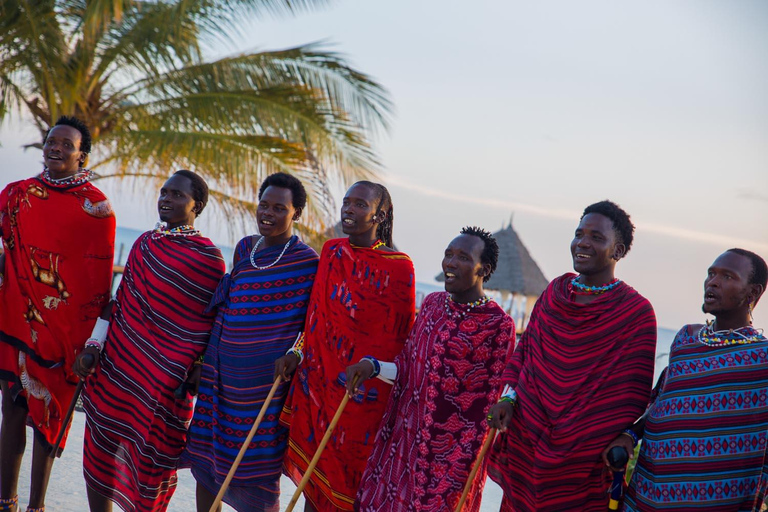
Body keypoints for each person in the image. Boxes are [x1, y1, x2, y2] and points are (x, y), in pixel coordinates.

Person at [487, 200, 657, 512]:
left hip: (582, 459)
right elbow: (525, 353)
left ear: (618, 251)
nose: (582, 242)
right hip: (525, 439)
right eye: (579, 233)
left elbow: (630, 396)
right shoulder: (555, 292)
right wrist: (508, 399)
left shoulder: (635, 313)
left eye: (596, 237)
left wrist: (580, 437)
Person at [73, 170, 225, 512]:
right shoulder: (144, 243)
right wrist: (94, 346)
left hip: (163, 385)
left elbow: (207, 326)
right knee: (100, 447)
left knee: (150, 465)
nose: (166, 200)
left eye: (177, 195)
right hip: (117, 368)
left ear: (196, 205)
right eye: (163, 192)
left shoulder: (208, 258)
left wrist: (193, 368)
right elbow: (119, 303)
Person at [346, 227, 515, 512]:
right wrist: (372, 366)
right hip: (402, 446)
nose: (450, 262)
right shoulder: (433, 305)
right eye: (448, 254)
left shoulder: (498, 325)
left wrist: (465, 461)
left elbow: (495, 397)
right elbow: (408, 366)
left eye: (462, 257)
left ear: (483, 269)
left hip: (453, 460)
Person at [180, 173, 320, 512]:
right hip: (221, 376)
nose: (267, 213)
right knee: (208, 464)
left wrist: (294, 355)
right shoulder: (245, 248)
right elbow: (226, 308)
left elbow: (311, 326)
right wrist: (201, 365)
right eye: (264, 205)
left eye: (279, 208)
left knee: (257, 468)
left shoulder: (308, 263)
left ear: (296, 213)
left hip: (264, 389)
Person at [277, 181, 416, 511]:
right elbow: (316, 319)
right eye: (346, 202)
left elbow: (399, 341)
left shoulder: (400, 268)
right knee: (313, 482)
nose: (349, 210)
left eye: (360, 205)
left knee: (347, 487)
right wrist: (296, 353)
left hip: (362, 397)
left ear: (379, 215)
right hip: (319, 384)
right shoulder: (332, 251)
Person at [0, 116, 116, 512]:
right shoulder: (17, 194)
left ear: (81, 156)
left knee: (49, 422)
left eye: (67, 144)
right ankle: (6, 501)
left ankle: (38, 506)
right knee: (12, 410)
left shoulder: (97, 209)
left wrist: (91, 343)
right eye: (52, 140)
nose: (57, 148)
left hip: (66, 334)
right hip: (16, 320)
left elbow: (98, 283)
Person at [605, 249, 767, 512]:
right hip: (647, 492)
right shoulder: (686, 339)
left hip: (712, 501)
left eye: (727, 277)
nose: (712, 282)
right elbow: (662, 401)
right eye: (711, 274)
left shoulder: (762, 358)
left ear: (752, 293)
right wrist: (630, 434)